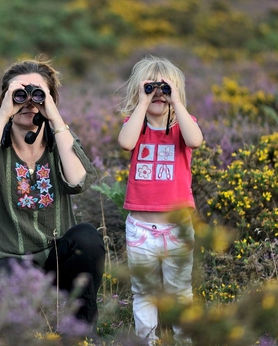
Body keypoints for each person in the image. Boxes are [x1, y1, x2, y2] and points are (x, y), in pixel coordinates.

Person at [0, 57, 105, 325]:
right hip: (10, 263)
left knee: (87, 236)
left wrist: (56, 120)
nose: (29, 101)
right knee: (4, 318)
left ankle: (82, 330)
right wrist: (3, 115)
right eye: (19, 94)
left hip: (58, 263)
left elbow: (79, 181)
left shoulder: (59, 142)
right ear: (6, 99)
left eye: (38, 94)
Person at [117, 55, 203, 344]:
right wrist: (142, 104)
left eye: (165, 88)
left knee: (180, 292)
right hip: (141, 228)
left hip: (177, 227)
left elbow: (196, 141)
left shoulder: (184, 125)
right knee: (144, 293)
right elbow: (126, 143)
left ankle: (183, 340)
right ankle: (148, 341)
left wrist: (177, 103)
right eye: (151, 88)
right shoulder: (135, 125)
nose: (158, 94)